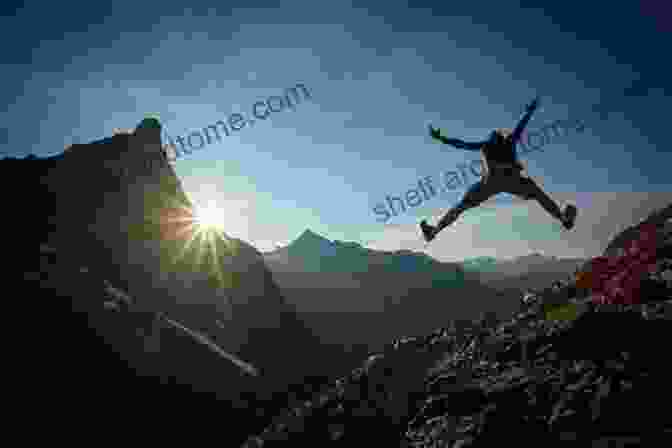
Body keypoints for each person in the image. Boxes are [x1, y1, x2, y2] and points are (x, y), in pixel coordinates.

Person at [420, 97, 577, 242]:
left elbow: (461, 143)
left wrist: (442, 139)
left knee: (462, 206)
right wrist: (529, 111)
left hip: (491, 182)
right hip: (511, 180)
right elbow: (520, 126)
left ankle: (434, 231)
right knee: (537, 193)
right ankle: (562, 218)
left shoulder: (487, 145)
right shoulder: (508, 142)